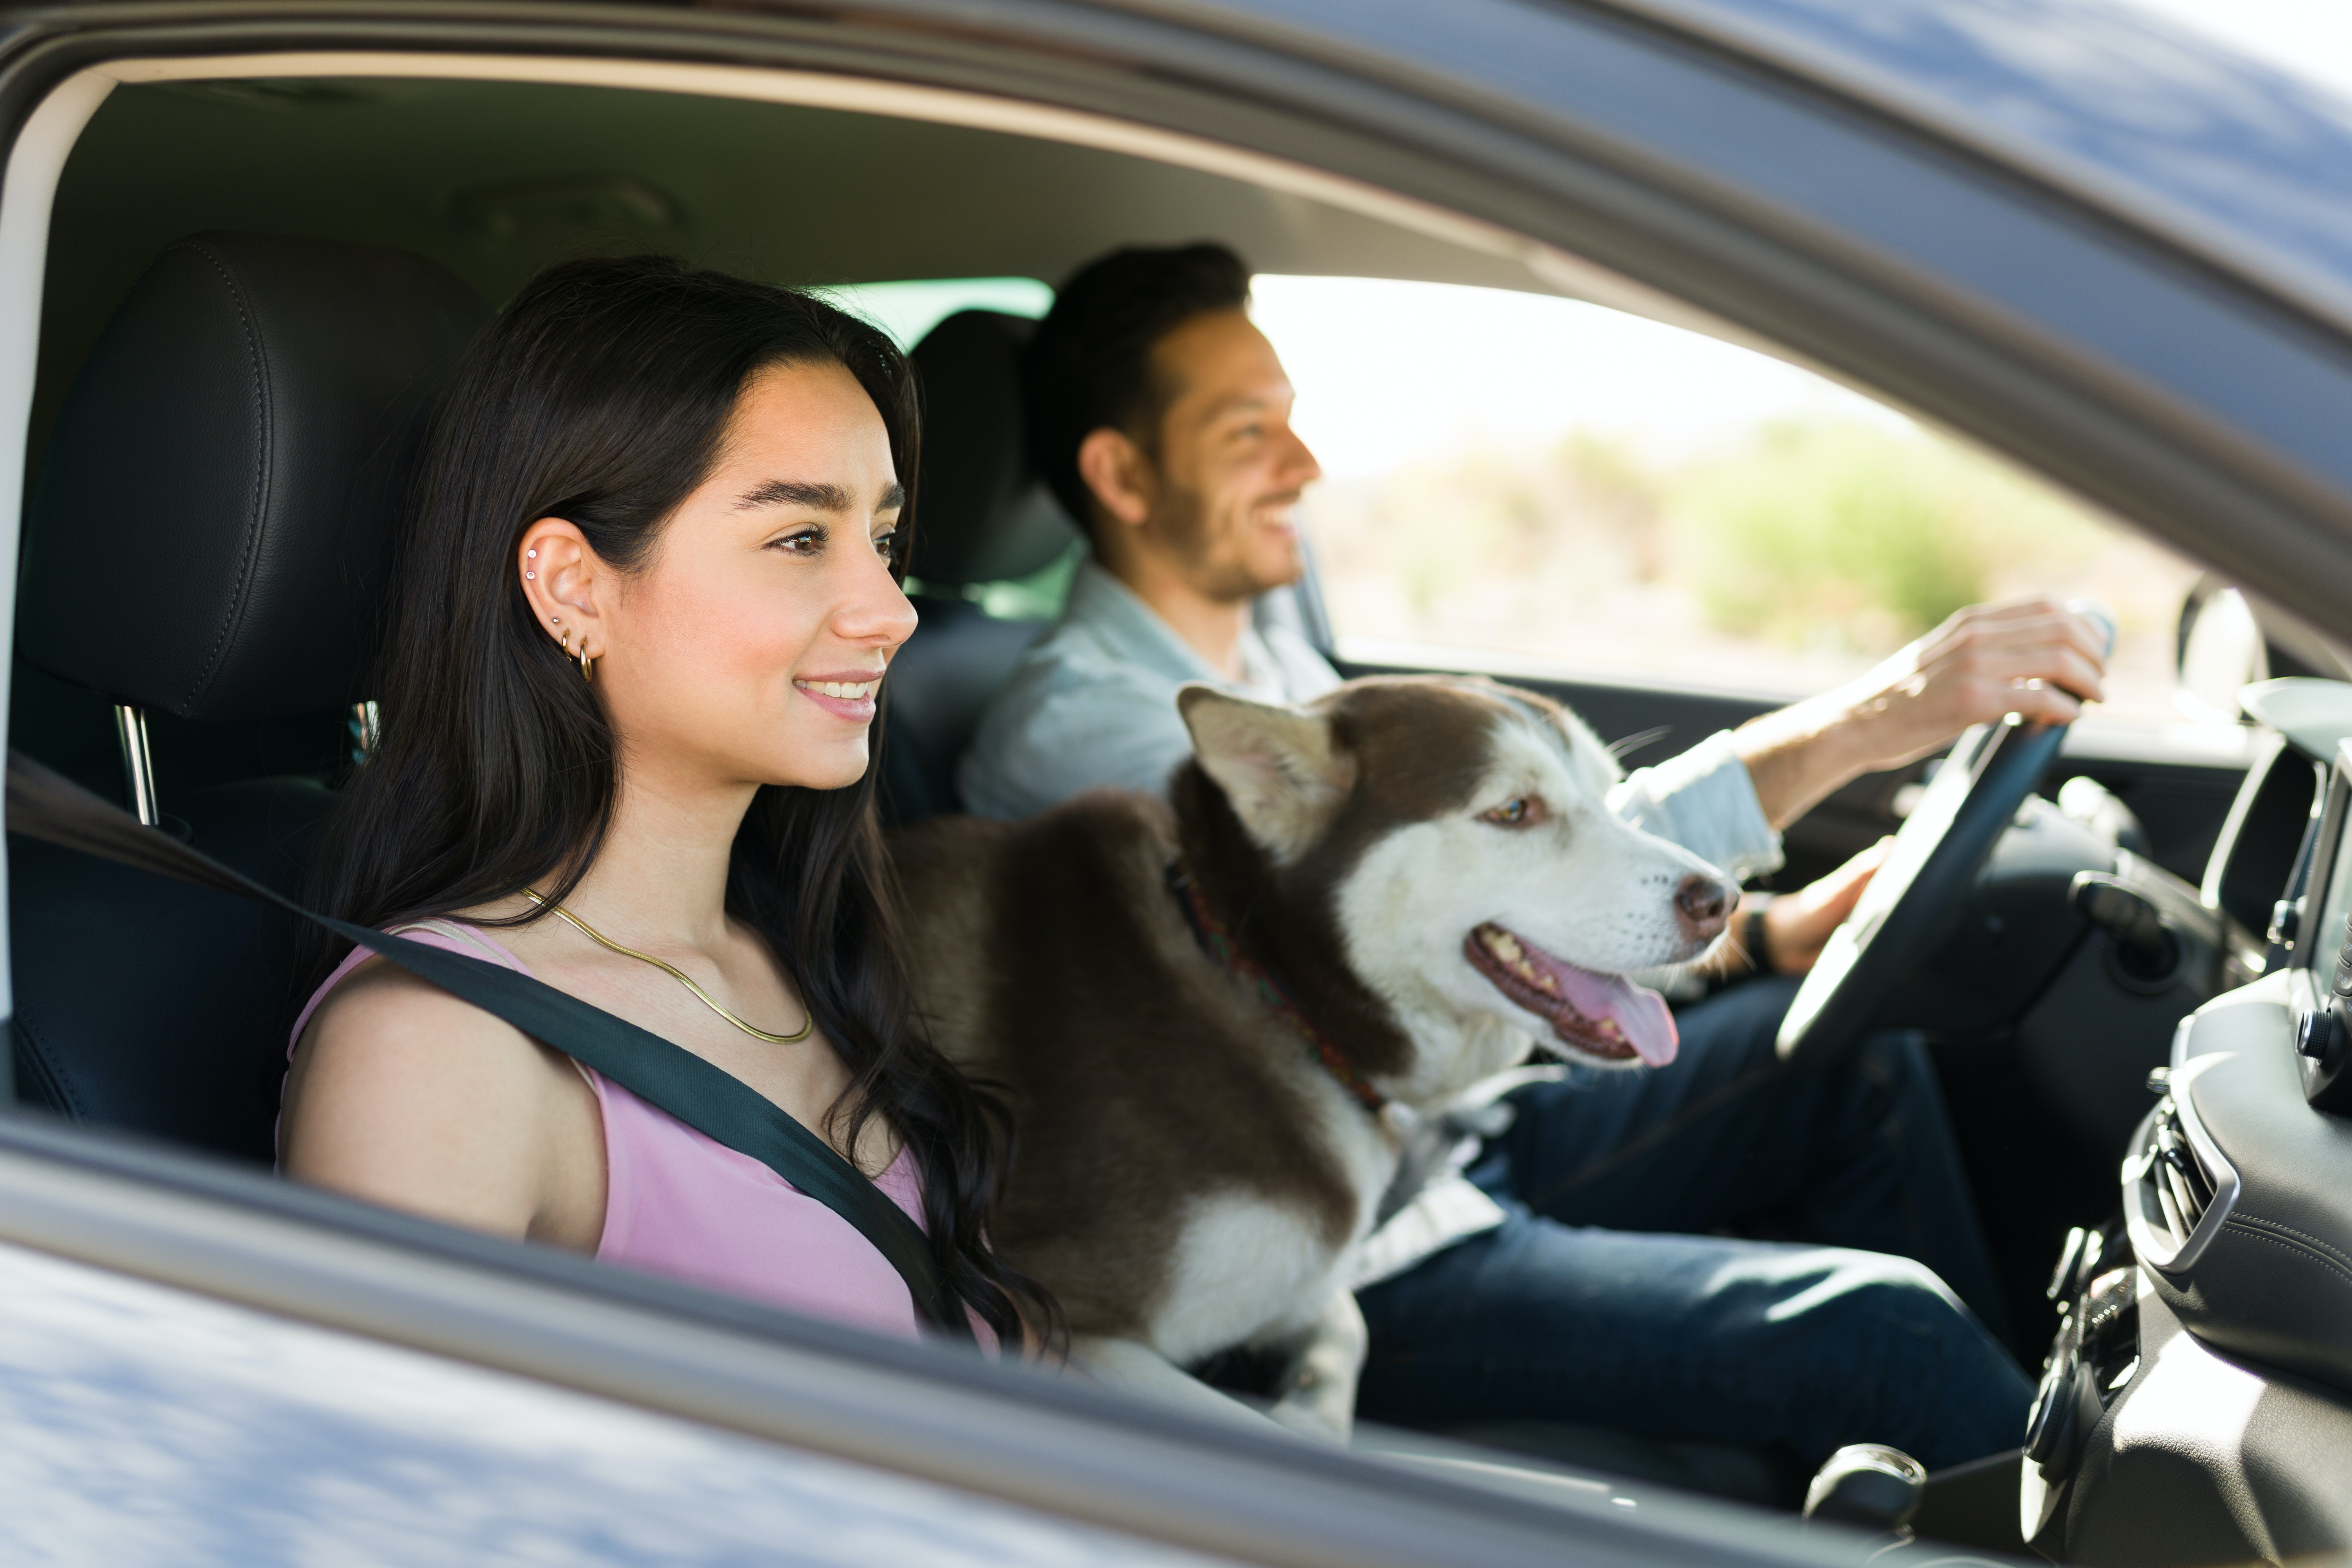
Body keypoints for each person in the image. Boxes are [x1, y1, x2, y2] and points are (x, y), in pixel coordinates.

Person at [961, 243, 2110, 1472]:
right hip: (1346, 1225)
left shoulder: (1278, 667)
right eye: (1251, 434)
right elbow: (1410, 918)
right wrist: (1870, 721)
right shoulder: (1103, 735)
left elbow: (1497, 871)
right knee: (1888, 1334)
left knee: (1864, 1067)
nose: (1306, 464)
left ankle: (1968, 1487)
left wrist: (1761, 934)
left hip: (1456, 1120)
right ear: (1121, 474)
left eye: (1294, 424)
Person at [281, 257, 1052, 1350]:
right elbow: (380, 1503)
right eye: (799, 539)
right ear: (572, 587)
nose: (891, 611)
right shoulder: (441, 1053)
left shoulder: (799, 944)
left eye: (882, 541)